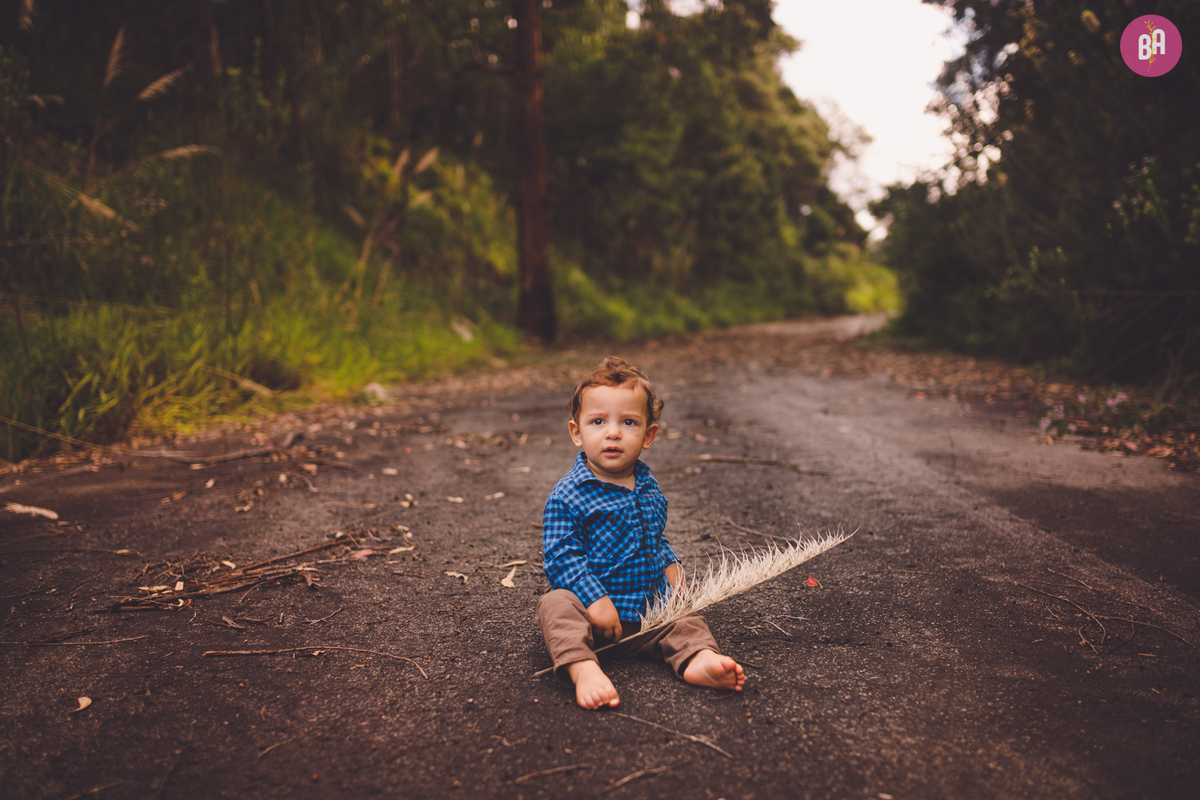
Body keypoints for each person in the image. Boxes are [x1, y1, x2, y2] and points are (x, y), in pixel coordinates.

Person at [537, 356, 745, 709]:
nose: (613, 432)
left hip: (648, 617)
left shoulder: (648, 488)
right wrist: (594, 600)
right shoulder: (568, 494)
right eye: (598, 421)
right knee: (555, 604)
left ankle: (699, 660)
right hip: (594, 620)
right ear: (577, 432)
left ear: (648, 435)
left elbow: (654, 540)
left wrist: (672, 570)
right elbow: (562, 557)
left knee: (686, 616)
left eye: (628, 422)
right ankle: (583, 667)